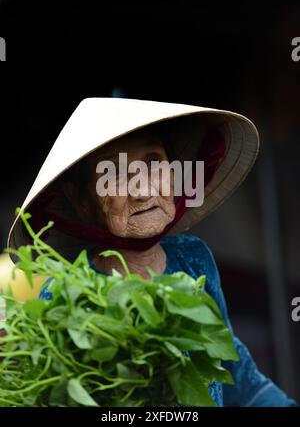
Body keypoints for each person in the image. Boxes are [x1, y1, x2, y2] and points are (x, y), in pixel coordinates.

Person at [7, 98, 296, 407]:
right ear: (80, 201)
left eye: (153, 163)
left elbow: (232, 366)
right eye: (115, 173)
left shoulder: (194, 258)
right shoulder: (70, 295)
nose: (142, 189)